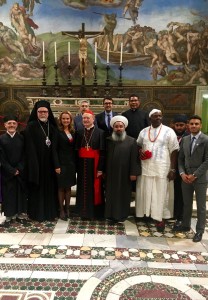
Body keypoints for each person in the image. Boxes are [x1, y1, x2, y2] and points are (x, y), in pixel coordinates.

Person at [135, 109, 179, 232]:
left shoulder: (169, 131)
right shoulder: (144, 131)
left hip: (162, 167)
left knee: (160, 193)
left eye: (160, 116)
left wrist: (173, 169)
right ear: (150, 118)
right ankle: (147, 213)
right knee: (146, 190)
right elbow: (138, 145)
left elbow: (174, 150)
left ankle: (160, 218)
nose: (158, 118)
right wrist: (140, 151)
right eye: (155, 116)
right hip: (146, 167)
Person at [23, 100, 58, 222]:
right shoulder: (31, 126)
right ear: (36, 112)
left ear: (49, 113)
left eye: (45, 111)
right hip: (36, 164)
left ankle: (50, 213)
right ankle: (36, 214)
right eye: (40, 111)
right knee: (37, 189)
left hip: (49, 165)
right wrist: (34, 164)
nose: (43, 113)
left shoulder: (52, 127)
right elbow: (29, 147)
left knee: (50, 188)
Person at [177, 115, 208, 242]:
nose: (194, 126)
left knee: (201, 206)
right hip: (186, 178)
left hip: (199, 178)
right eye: (191, 124)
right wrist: (182, 173)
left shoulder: (206, 139)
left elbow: (207, 161)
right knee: (187, 203)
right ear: (188, 125)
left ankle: (200, 231)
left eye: (196, 124)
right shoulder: (184, 140)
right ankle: (185, 225)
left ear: (200, 125)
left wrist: (195, 175)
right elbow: (180, 159)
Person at [105, 115, 140, 223]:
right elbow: (104, 157)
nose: (119, 128)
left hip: (125, 174)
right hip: (111, 173)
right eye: (116, 126)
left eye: (121, 126)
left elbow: (135, 158)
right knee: (110, 194)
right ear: (113, 128)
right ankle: (110, 215)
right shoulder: (108, 140)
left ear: (124, 128)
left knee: (123, 194)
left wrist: (133, 172)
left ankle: (122, 215)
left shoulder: (132, 141)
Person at [75, 109, 105, 220]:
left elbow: (102, 152)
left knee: (94, 189)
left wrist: (100, 168)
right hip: (82, 165)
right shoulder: (78, 132)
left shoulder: (100, 132)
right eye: (84, 118)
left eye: (88, 118)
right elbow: (76, 150)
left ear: (93, 119)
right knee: (83, 188)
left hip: (95, 165)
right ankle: (83, 213)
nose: (85, 120)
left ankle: (95, 213)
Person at [0, 115, 27, 228]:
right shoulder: (1, 139)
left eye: (13, 123)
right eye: (9, 123)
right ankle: (9, 216)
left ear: (17, 125)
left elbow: (25, 155)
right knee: (9, 194)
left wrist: (19, 168)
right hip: (7, 173)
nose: (11, 125)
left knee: (20, 194)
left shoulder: (22, 138)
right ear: (5, 125)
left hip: (20, 172)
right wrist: (11, 170)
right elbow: (1, 158)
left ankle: (20, 215)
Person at [53, 111, 76, 221]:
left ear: (71, 120)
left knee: (69, 187)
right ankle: (61, 210)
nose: (66, 120)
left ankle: (67, 209)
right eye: (64, 119)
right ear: (60, 120)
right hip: (61, 164)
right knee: (61, 187)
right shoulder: (57, 132)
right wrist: (57, 165)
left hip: (71, 164)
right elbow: (54, 150)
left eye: (68, 119)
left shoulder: (72, 131)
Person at [172, 114, 189, 231]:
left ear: (186, 125)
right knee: (173, 192)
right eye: (177, 125)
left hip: (185, 170)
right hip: (172, 169)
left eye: (181, 125)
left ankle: (181, 216)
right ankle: (173, 213)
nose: (179, 127)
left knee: (182, 194)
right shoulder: (170, 135)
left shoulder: (188, 137)